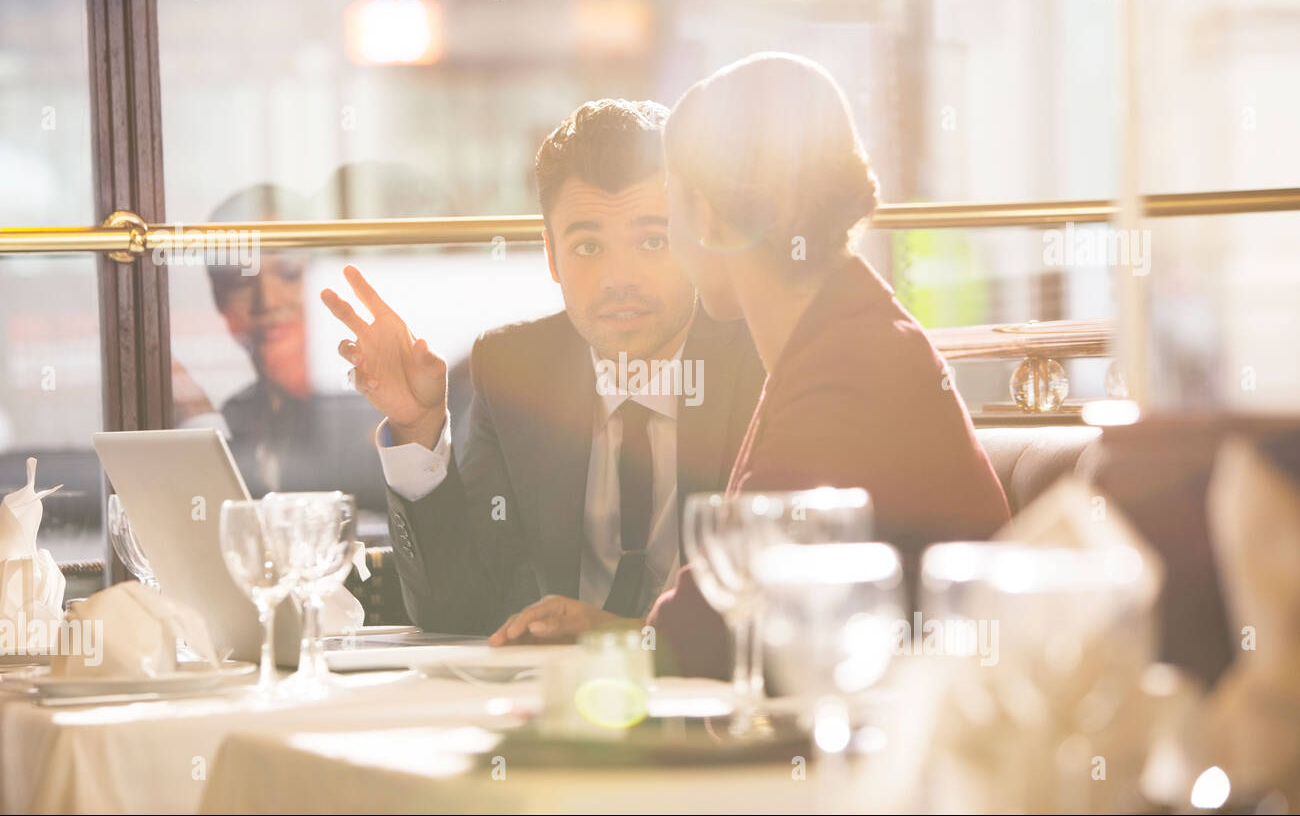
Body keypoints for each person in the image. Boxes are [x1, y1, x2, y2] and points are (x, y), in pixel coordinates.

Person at [321, 99, 765, 636]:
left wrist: (617, 634)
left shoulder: (760, 361)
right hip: (553, 695)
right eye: (588, 246)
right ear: (552, 256)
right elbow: (455, 610)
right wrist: (418, 430)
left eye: (653, 241)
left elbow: (783, 603)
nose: (617, 278)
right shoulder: (514, 370)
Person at [643, 52, 1011, 678]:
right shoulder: (845, 332)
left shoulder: (849, 367)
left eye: (669, 203)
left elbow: (699, 638)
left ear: (704, 214)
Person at [174, 184, 389, 514]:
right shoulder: (238, 415)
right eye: (239, 280)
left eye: (289, 274)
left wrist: (201, 421)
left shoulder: (376, 411)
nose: (268, 300)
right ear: (219, 301)